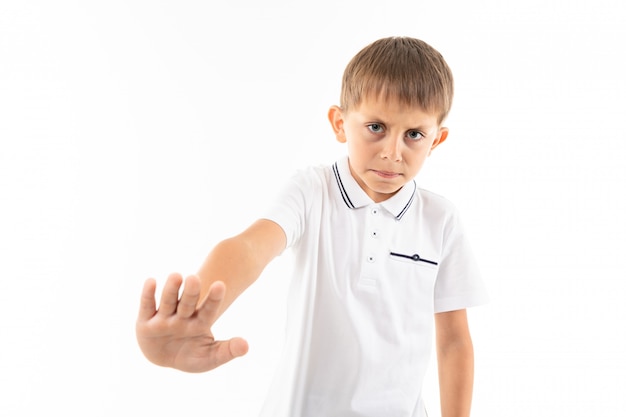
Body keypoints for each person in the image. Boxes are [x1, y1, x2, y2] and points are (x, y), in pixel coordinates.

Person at [136, 36, 489, 417]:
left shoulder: (441, 220)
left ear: (436, 140)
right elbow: (252, 247)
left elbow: (454, 342)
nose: (392, 152)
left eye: (414, 135)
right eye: (375, 127)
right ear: (340, 123)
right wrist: (192, 314)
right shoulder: (311, 191)